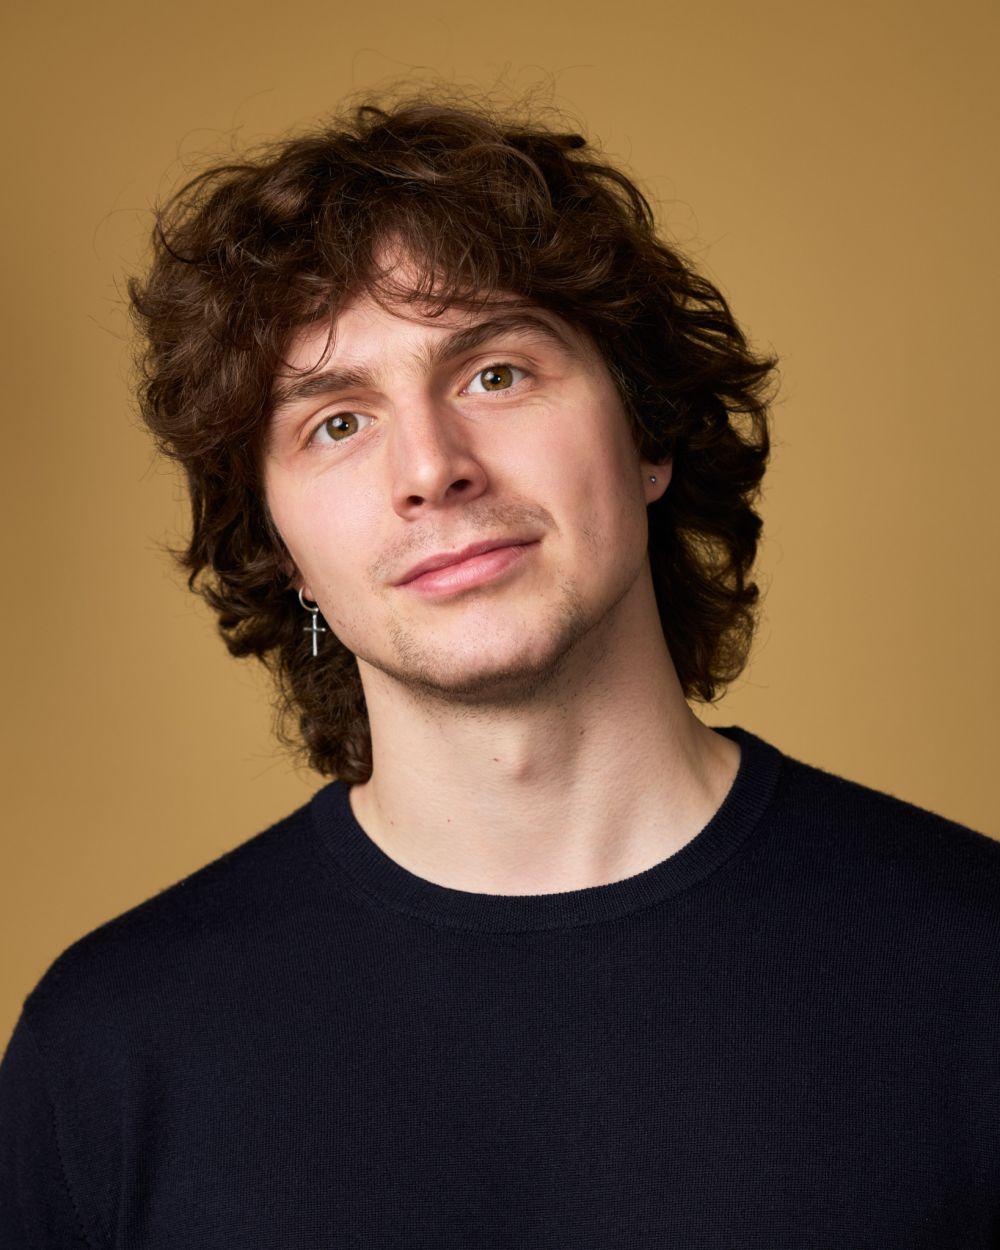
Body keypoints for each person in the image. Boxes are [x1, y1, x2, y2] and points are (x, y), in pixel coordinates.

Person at [1, 89, 997, 1248]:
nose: (431, 468)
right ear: (284, 552)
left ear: (649, 433)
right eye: (334, 421)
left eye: (496, 373)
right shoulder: (110, 1048)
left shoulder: (971, 965)